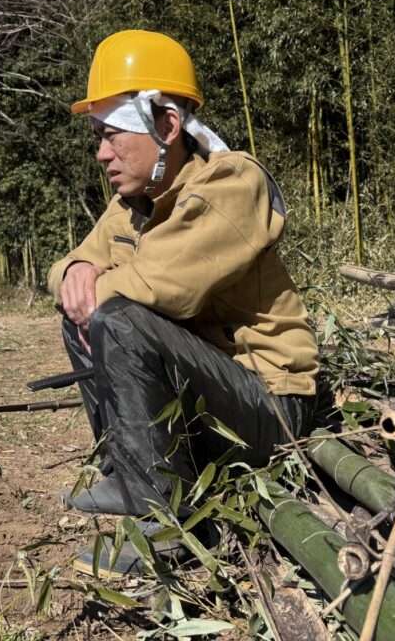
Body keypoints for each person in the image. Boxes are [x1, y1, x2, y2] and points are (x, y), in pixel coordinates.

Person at [48, 29, 320, 575]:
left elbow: (162, 286)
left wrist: (90, 288)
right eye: (97, 137)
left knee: (118, 320)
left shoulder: (231, 187)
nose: (101, 153)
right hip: (213, 401)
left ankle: (165, 531)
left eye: (112, 135)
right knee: (87, 309)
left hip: (271, 406)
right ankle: (126, 468)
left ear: (167, 125)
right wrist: (75, 270)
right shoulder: (133, 203)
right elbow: (65, 269)